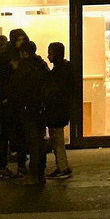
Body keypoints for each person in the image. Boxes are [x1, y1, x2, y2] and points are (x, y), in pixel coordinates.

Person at [8, 39, 49, 180]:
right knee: (39, 139)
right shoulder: (41, 66)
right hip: (40, 108)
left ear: (24, 53)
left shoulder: (23, 69)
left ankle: (34, 172)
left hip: (27, 109)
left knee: (32, 142)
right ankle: (40, 170)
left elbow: (15, 89)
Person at [0, 29, 29, 178]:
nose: (21, 42)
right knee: (8, 134)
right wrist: (4, 97)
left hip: (13, 101)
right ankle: (7, 166)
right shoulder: (9, 57)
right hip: (11, 101)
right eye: (19, 39)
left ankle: (15, 165)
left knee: (14, 134)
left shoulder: (8, 56)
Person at [42, 42, 77, 179]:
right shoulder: (67, 68)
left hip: (56, 110)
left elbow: (53, 90)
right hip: (62, 109)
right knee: (58, 139)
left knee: (57, 139)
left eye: (50, 53)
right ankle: (61, 166)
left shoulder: (58, 72)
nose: (48, 56)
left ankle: (62, 167)